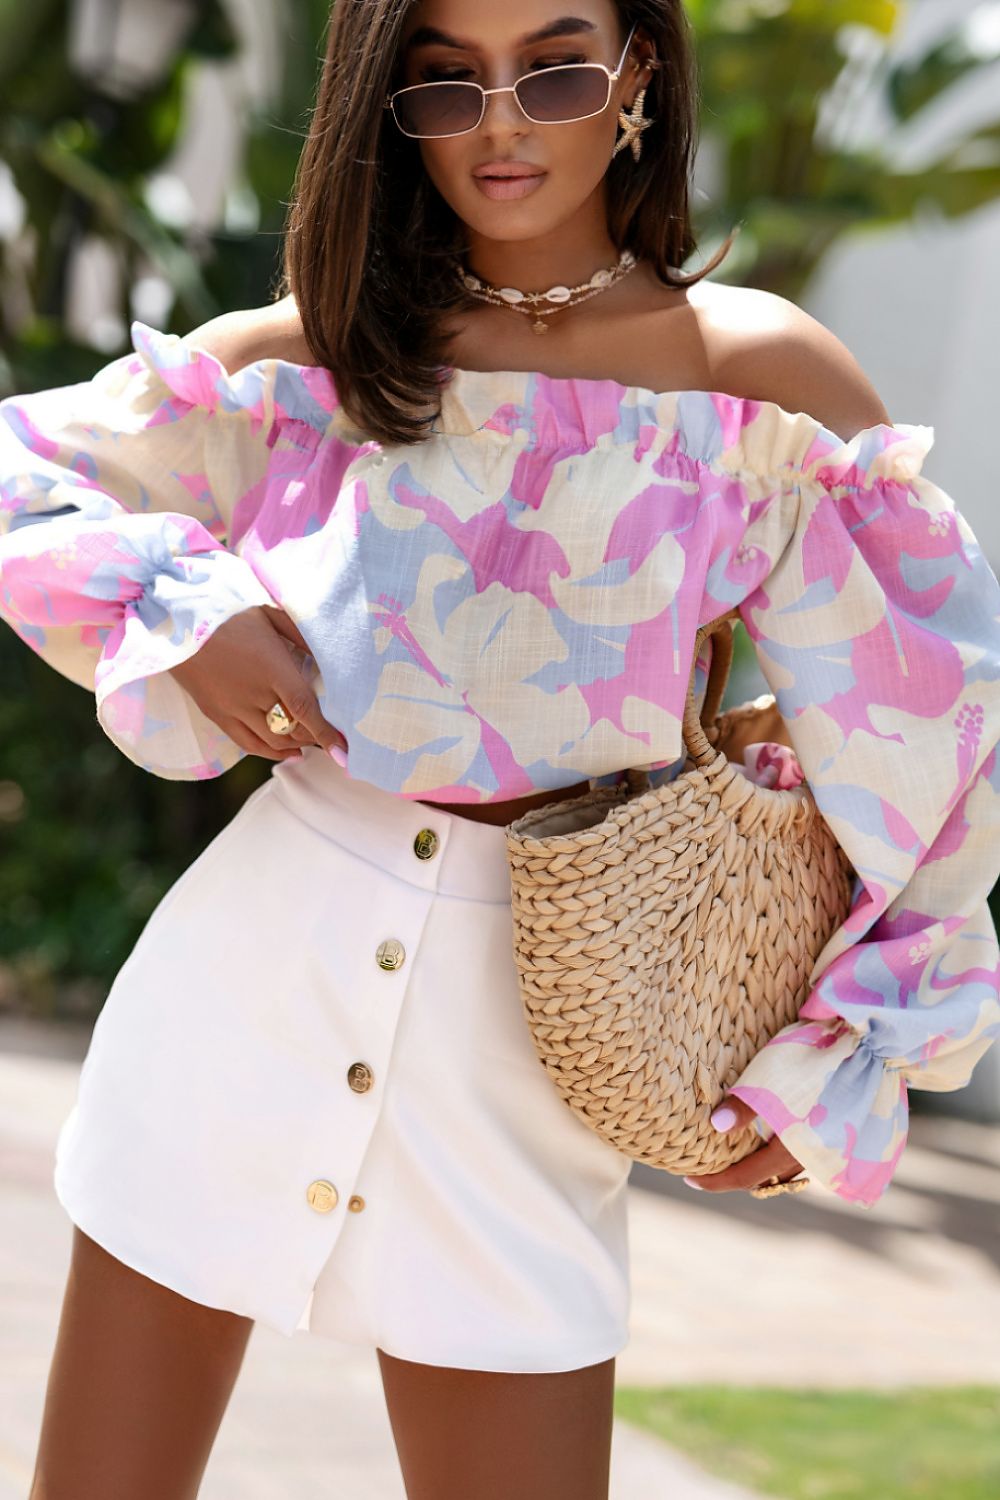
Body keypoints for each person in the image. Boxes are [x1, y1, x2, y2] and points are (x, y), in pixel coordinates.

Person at [2, 2, 998, 1496]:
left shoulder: (758, 385)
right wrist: (187, 610)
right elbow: (30, 478)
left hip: (537, 1053)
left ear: (640, 70)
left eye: (555, 66)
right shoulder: (312, 359)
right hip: (240, 1000)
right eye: (446, 82)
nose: (504, 122)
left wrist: (848, 1048)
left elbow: (938, 748)